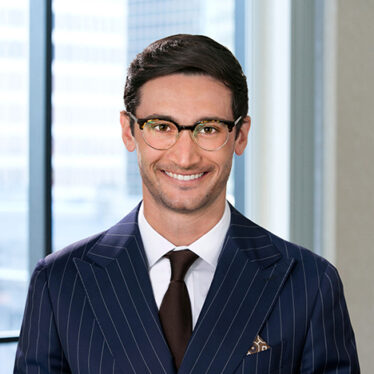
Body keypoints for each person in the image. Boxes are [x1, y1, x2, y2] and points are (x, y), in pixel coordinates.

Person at [14, 34, 360, 373]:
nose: (185, 156)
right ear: (128, 131)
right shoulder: (60, 283)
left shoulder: (309, 284)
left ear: (239, 135)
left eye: (208, 128)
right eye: (162, 126)